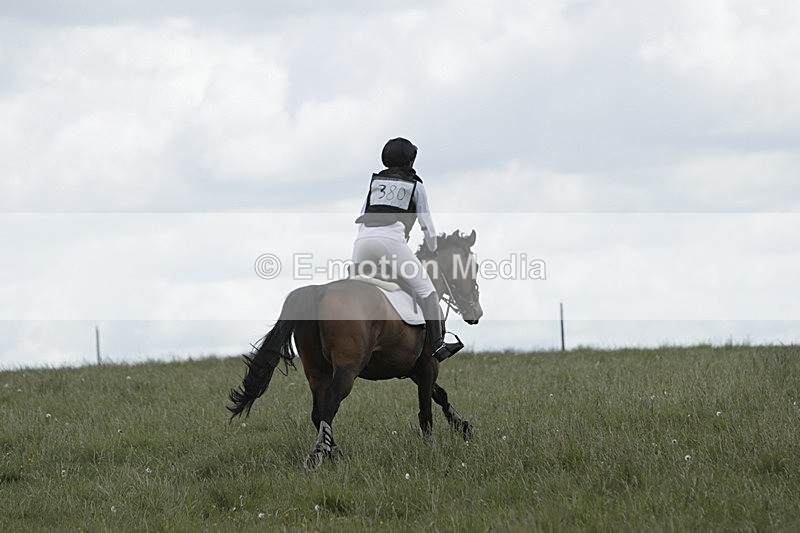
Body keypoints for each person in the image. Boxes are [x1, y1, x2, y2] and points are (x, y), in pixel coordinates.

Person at [353, 137, 463, 362]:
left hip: (361, 242)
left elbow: (362, 213)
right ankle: (438, 346)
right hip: (390, 241)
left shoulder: (375, 183)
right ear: (410, 161)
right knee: (428, 291)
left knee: (355, 287)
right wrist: (432, 250)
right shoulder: (415, 185)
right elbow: (427, 225)